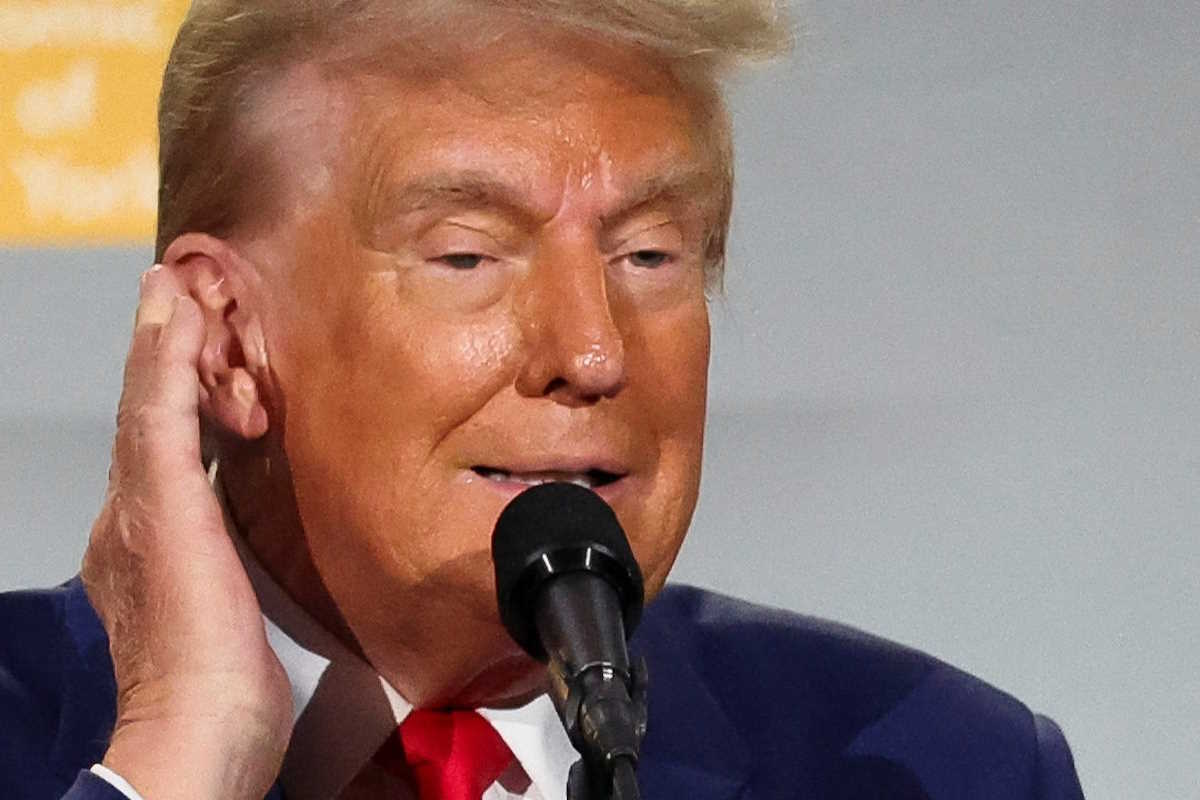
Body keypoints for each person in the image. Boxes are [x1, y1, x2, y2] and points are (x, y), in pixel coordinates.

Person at [0, 2, 1085, 799]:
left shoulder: (946, 763)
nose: (594, 348)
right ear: (229, 342)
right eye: (470, 255)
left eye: (650, 254)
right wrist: (177, 759)